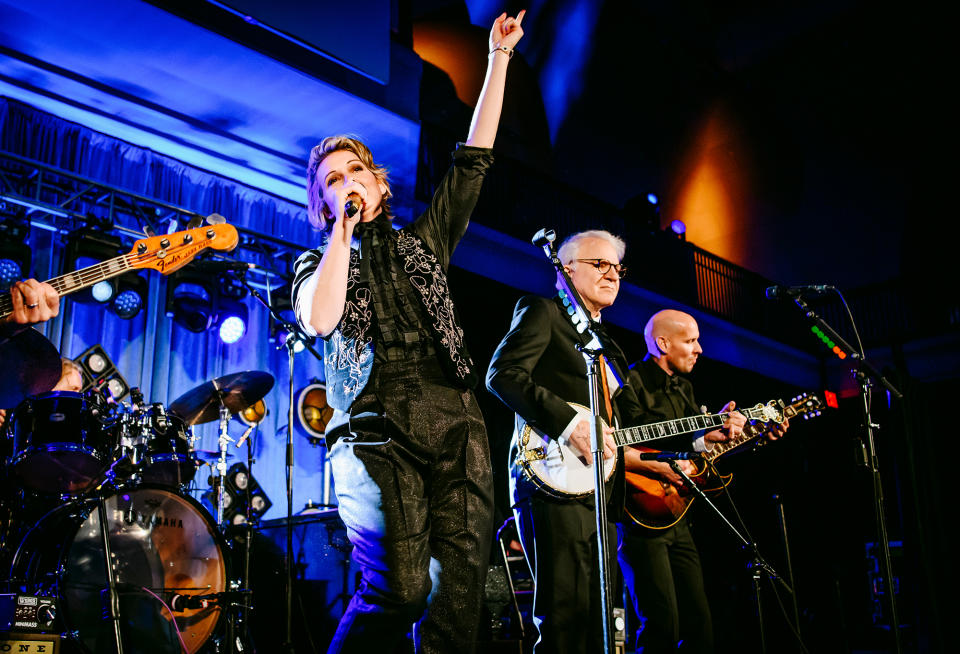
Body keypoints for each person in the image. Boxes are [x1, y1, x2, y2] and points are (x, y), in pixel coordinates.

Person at [291, 10, 525, 653]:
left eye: (354, 173)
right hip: (374, 426)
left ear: (380, 184)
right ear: (322, 204)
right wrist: (342, 232)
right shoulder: (317, 262)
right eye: (331, 182)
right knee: (400, 590)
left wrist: (498, 58)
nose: (346, 185)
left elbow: (474, 160)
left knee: (455, 605)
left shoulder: (426, 239)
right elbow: (322, 317)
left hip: (456, 418)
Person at [486, 229, 651, 653]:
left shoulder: (607, 347)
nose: (613, 274)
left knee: (602, 619)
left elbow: (637, 425)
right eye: (600, 264)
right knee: (566, 614)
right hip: (552, 478)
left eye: (617, 267)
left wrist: (705, 438)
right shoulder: (543, 312)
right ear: (566, 269)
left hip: (600, 492)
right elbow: (502, 375)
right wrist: (565, 423)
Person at [619, 309, 784, 653]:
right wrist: (700, 438)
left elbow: (699, 456)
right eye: (691, 341)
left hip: (678, 515)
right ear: (662, 343)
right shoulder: (629, 382)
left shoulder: (686, 389)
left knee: (700, 629)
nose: (700, 349)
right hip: (642, 518)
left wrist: (749, 437)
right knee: (660, 626)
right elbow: (630, 444)